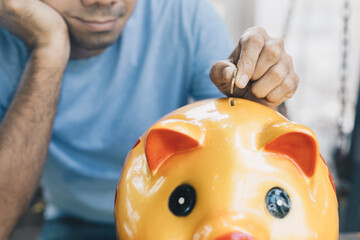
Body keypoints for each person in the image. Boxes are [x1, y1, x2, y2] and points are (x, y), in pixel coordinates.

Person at [0, 0, 298, 239]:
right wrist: (48, 47)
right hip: (75, 219)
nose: (105, 2)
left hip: (179, 216)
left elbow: (257, 148)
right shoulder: (8, 42)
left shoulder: (183, 12)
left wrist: (261, 102)